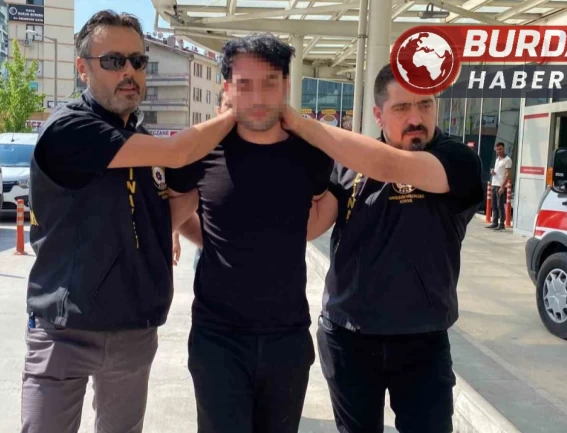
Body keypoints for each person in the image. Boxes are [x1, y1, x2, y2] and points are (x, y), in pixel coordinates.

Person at [21, 10, 235, 433]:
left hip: (133, 329)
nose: (129, 72)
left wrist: (194, 207)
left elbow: (165, 212)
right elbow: (178, 153)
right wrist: (238, 112)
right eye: (113, 61)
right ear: (82, 68)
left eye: (138, 61)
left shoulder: (143, 144)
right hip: (64, 330)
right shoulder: (70, 130)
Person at [283, 64, 484, 433]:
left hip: (423, 341)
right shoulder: (348, 166)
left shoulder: (458, 160)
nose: (416, 119)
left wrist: (302, 124)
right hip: (348, 336)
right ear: (378, 115)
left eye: (425, 105)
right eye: (401, 108)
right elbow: (310, 227)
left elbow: (389, 164)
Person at [168, 34, 333, 433]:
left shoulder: (311, 153)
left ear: (286, 85)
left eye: (269, 82)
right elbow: (174, 207)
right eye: (244, 84)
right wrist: (208, 238)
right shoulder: (202, 151)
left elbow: (324, 206)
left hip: (287, 338)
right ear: (227, 87)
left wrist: (287, 238)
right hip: (217, 339)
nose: (257, 97)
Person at [177, 88, 231, 271]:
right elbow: (176, 200)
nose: (234, 114)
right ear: (218, 110)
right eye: (229, 106)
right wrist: (208, 243)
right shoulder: (201, 151)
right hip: (210, 261)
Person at [487, 142, 512, 231]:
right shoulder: (497, 159)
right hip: (494, 184)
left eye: (500, 149)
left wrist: (503, 186)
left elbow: (508, 174)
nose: (498, 151)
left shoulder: (507, 160)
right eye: (497, 149)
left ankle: (502, 224)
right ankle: (494, 223)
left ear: (503, 149)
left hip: (500, 185)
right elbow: (498, 172)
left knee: (500, 205)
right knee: (493, 205)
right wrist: (493, 172)